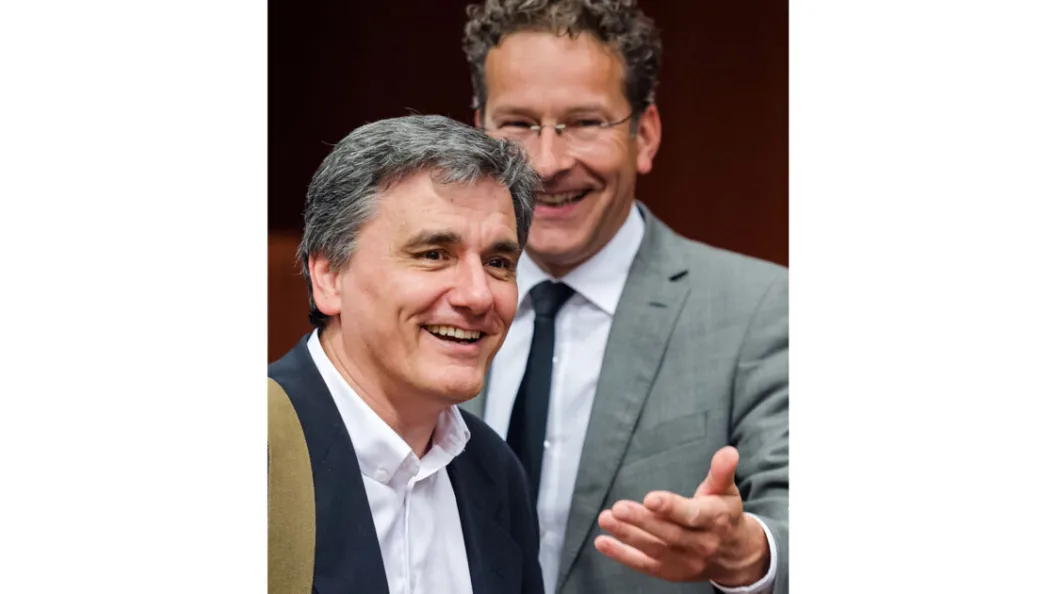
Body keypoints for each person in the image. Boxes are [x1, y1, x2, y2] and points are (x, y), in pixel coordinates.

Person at [457, 2, 789, 593]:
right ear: (480, 134)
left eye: (585, 122)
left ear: (646, 135)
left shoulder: (764, 310)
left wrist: (746, 554)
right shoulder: (427, 303)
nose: (547, 163)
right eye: (518, 124)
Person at [267, 114, 545, 594]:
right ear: (329, 277)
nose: (478, 295)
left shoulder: (495, 472)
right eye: (433, 254)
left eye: (498, 262)